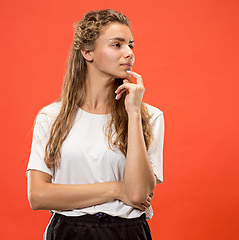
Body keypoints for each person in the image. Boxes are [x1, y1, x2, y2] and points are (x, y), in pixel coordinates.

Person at [26, 9, 165, 240]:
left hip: (128, 232)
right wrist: (115, 189)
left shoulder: (149, 116)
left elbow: (139, 194)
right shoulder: (51, 117)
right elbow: (38, 196)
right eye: (117, 45)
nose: (129, 53)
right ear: (87, 52)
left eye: (131, 45)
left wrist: (133, 113)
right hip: (68, 232)